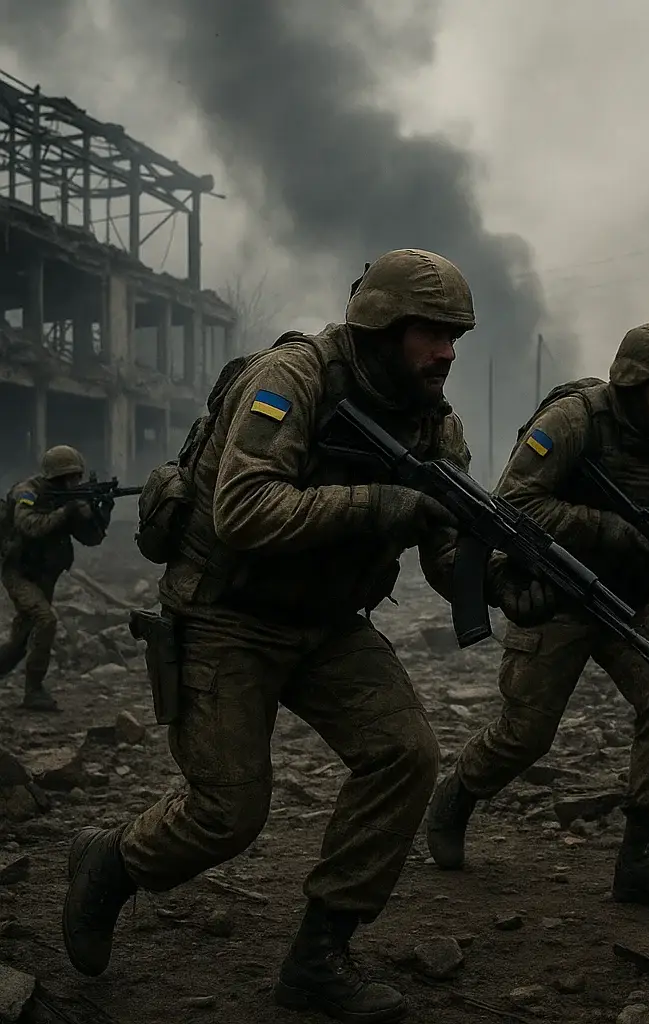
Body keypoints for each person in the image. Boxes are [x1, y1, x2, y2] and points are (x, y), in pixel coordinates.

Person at [61, 249, 549, 1024]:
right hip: (227, 613)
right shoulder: (291, 380)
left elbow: (444, 543)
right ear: (384, 328)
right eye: (433, 334)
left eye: (456, 335)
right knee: (227, 814)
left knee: (405, 755)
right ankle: (110, 863)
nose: (449, 352)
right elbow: (245, 511)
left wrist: (494, 581)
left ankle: (320, 956)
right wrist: (383, 506)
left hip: (326, 625)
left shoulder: (435, 424)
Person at [426, 321, 649, 913]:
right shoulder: (573, 422)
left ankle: (640, 858)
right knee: (526, 735)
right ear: (632, 381)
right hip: (558, 595)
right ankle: (456, 797)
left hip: (638, 608)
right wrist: (609, 529)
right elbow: (512, 503)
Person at [0, 445, 109, 711]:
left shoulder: (67, 499)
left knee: (21, 640)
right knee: (45, 619)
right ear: (55, 478)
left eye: (77, 477)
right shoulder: (26, 492)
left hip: (46, 574)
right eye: (69, 478)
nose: (74, 483)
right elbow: (29, 526)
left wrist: (100, 514)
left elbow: (90, 538)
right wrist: (67, 511)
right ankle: (34, 691)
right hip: (18, 572)